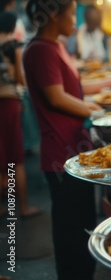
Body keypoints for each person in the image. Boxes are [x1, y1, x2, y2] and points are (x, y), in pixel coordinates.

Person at [22, 1, 102, 279]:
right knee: (72, 231)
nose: (74, 20)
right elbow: (56, 97)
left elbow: (71, 91)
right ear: (53, 15)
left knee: (83, 223)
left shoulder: (55, 46)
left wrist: (93, 105)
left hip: (75, 151)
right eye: (71, 13)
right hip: (61, 155)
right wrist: (98, 111)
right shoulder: (40, 51)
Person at [0, 12, 40, 218]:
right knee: (16, 158)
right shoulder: (12, 46)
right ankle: (22, 207)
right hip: (9, 103)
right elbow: (19, 79)